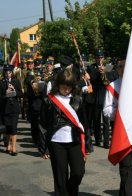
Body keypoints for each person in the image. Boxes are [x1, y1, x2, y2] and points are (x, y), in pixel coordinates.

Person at [39, 68, 85, 196]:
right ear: (58, 85)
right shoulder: (49, 100)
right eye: (63, 87)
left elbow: (84, 123)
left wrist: (87, 145)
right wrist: (44, 148)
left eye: (69, 87)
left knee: (78, 172)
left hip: (74, 140)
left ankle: (68, 191)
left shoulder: (77, 99)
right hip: (56, 141)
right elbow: (43, 125)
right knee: (60, 176)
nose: (66, 90)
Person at [103, 59, 132, 196]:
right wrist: (120, 112)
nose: (125, 70)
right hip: (120, 129)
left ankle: (124, 192)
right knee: (126, 162)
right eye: (122, 67)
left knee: (131, 163)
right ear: (118, 70)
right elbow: (106, 110)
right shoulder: (113, 86)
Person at [86, 49, 117, 148]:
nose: (99, 59)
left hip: (106, 96)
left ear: (103, 58)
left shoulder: (108, 67)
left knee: (106, 120)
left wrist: (105, 73)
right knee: (96, 120)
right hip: (96, 96)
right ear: (95, 58)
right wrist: (99, 73)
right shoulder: (91, 68)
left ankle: (106, 142)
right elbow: (92, 80)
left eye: (101, 57)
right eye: (97, 57)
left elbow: (112, 79)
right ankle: (98, 139)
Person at [0, 64, 23, 156]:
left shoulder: (16, 81)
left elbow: (21, 94)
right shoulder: (1, 82)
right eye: (6, 72)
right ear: (4, 73)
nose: (8, 74)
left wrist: (15, 91)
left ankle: (14, 148)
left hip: (14, 108)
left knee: (13, 127)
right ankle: (8, 146)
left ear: (12, 73)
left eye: (9, 72)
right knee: (8, 128)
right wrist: (5, 94)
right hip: (5, 108)